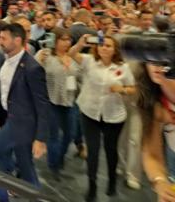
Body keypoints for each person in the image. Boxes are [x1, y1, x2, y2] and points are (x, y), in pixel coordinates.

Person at [0, 23, 50, 202]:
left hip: (23, 124)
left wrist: (41, 138)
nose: (0, 41)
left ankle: (0, 196)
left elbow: (43, 105)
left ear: (17, 40)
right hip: (10, 118)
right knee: (25, 165)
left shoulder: (32, 68)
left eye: (4, 38)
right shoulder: (4, 59)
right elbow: (1, 89)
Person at [68, 34, 135, 201]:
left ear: (115, 50)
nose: (104, 48)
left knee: (111, 151)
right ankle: (92, 185)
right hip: (90, 112)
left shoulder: (123, 67)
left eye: (109, 46)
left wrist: (122, 90)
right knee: (93, 150)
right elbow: (71, 54)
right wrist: (80, 43)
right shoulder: (89, 60)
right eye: (102, 45)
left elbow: (133, 88)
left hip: (113, 115)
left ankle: (112, 181)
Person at [34, 27, 80, 180]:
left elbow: (79, 76)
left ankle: (59, 159)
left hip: (70, 100)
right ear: (55, 40)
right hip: (51, 101)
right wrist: (40, 58)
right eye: (63, 39)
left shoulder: (72, 57)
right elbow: (33, 70)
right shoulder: (46, 55)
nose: (67, 43)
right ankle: (54, 166)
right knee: (54, 136)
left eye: (68, 39)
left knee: (70, 134)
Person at [136, 62, 175, 202]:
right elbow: (151, 154)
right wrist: (160, 182)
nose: (156, 65)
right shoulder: (154, 101)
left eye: (164, 58)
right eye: (151, 56)